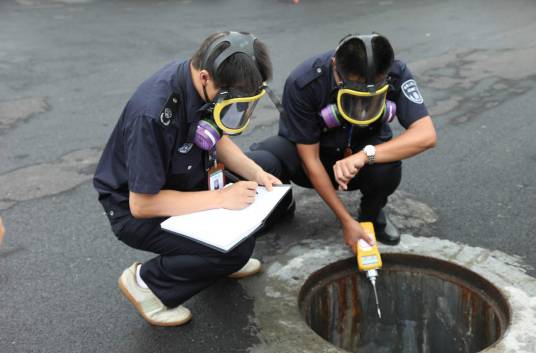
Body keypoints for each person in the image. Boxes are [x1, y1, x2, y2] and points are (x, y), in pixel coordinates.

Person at [93, 31, 284, 327]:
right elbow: (141, 205)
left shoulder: (203, 83)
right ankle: (147, 284)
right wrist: (221, 199)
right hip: (136, 207)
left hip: (185, 179)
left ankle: (217, 259)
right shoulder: (153, 113)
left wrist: (256, 173)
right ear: (206, 76)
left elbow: (213, 138)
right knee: (232, 252)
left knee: (266, 169)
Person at [250, 33, 436, 251]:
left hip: (361, 156)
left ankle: (371, 217)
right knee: (263, 160)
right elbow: (310, 161)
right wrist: (346, 221)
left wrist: (365, 155)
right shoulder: (304, 82)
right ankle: (281, 207)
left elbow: (426, 135)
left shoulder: (395, 72)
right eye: (354, 89)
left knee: (388, 165)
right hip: (313, 156)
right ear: (335, 65)